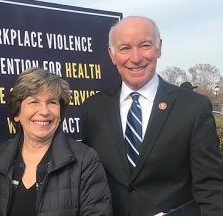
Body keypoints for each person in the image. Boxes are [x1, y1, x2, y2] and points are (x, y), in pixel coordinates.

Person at [82, 16, 223, 216]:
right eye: (125, 48)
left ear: (159, 48)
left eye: (145, 45)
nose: (136, 57)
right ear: (112, 55)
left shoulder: (193, 108)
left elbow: (211, 189)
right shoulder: (93, 109)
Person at [0, 68, 112, 216]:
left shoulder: (85, 161)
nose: (44, 111)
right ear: (17, 113)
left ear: (61, 113)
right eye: (34, 101)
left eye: (52, 102)